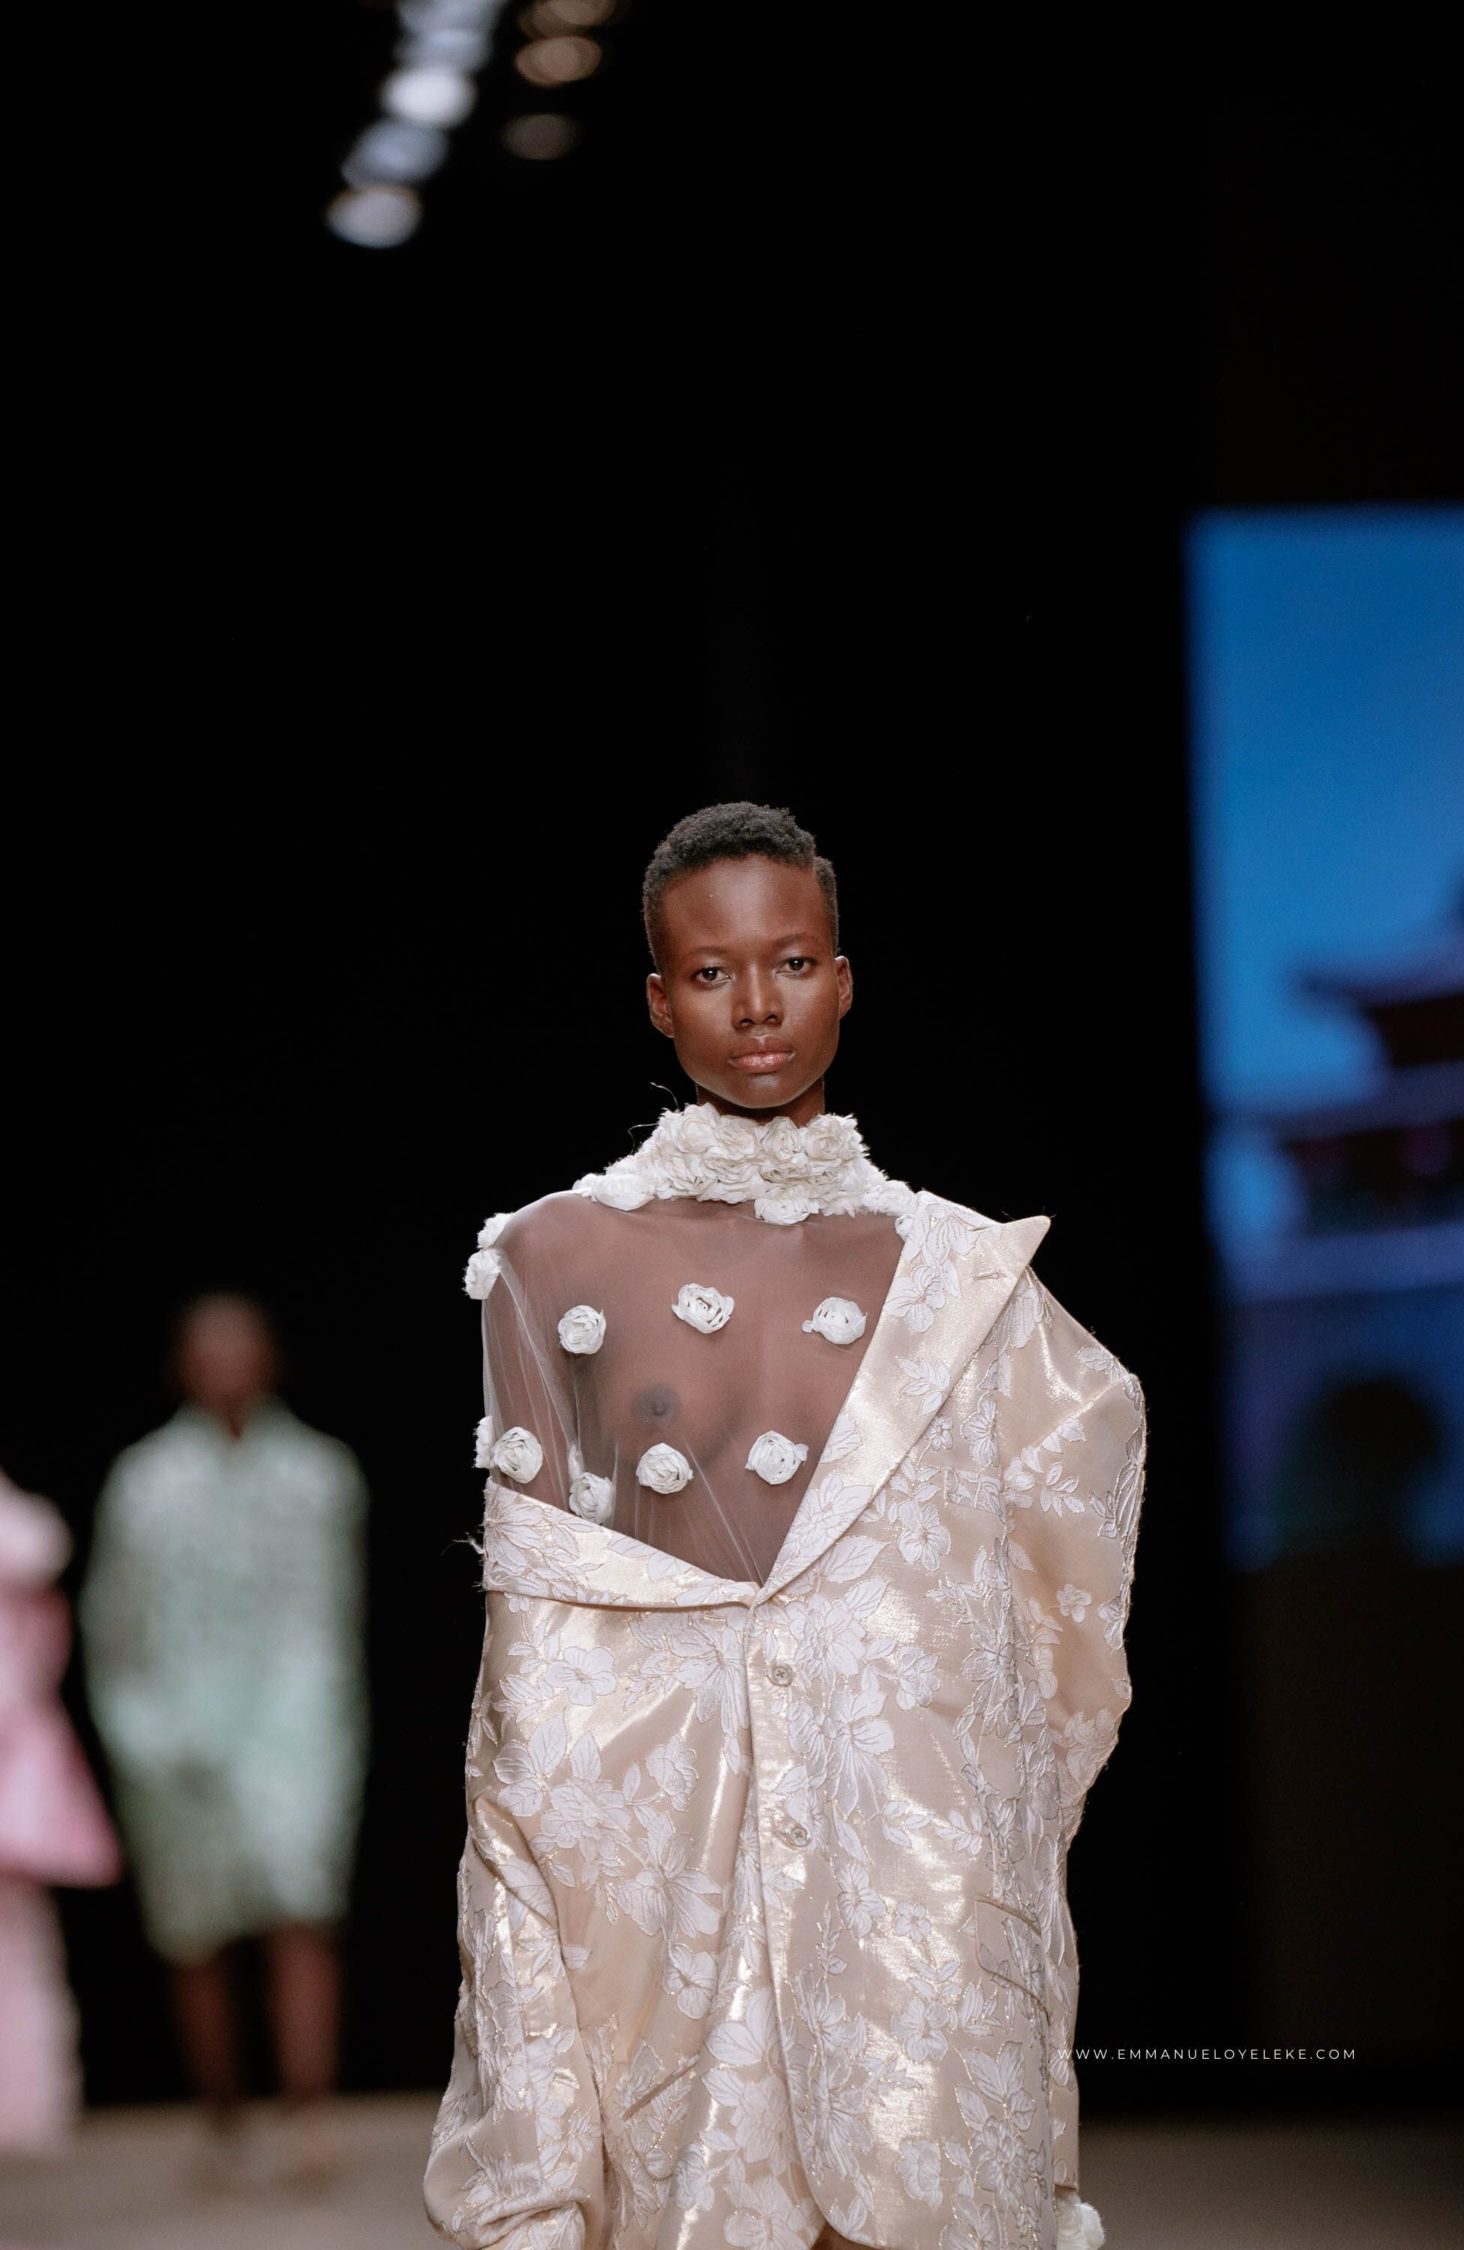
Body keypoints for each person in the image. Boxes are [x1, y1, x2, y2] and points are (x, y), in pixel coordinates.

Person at [423, 802, 1148, 2250]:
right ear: (659, 998)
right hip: (662, 1848)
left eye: (794, 961)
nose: (757, 1005)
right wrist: (541, 1905)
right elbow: (532, 1651)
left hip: (916, 1835)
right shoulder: (548, 1252)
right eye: (711, 972)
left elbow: (1054, 1609)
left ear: (845, 977)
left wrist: (972, 1805)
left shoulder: (967, 1276)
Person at [77, 1291, 370, 2194]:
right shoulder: (145, 1481)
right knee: (195, 1932)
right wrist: (142, 1729)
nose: (227, 1366)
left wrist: (314, 1727)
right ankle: (223, 2119)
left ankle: (307, 2115)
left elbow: (328, 1617)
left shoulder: (317, 1475)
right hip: (177, 1735)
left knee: (300, 1908)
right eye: (208, 1351)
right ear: (182, 1366)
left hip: (293, 1731)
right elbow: (114, 1618)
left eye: (242, 1348)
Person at [0, 1463, 122, 2153]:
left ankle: (29, 2101)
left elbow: (35, 1545)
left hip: (12, 1757)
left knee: (19, 1940)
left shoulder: (18, 1534)